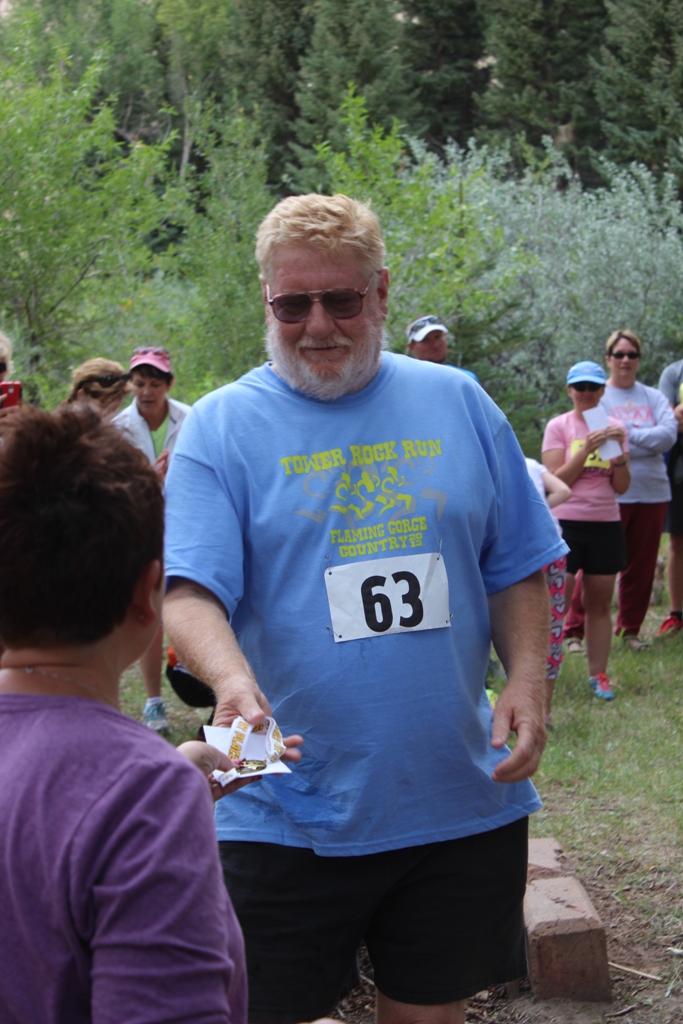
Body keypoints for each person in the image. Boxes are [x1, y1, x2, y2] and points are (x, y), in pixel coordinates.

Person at [162, 193, 566, 1024]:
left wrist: (528, 679)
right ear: (266, 302)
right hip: (276, 797)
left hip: (453, 792)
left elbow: (515, 563)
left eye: (340, 300)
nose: (317, 325)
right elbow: (190, 590)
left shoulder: (458, 401)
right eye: (292, 303)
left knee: (429, 1010)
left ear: (379, 293)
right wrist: (232, 683)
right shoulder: (221, 427)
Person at [0, 404, 250, 1024]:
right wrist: (157, 793)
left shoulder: (149, 791)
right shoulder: (143, 796)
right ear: (149, 596)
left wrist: (176, 780)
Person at [561, 331, 676, 651]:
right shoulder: (597, 393)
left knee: (641, 565)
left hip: (652, 490)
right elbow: (597, 442)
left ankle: (630, 630)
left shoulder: (652, 396)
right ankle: (574, 629)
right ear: (608, 358)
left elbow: (667, 437)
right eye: (619, 354)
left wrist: (624, 434)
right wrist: (633, 441)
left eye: (632, 354)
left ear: (639, 359)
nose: (626, 360)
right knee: (593, 567)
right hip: (610, 495)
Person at [542, 361, 630, 701]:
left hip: (606, 521)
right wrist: (588, 450)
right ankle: (545, 673)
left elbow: (622, 486)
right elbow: (555, 481)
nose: (587, 394)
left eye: (593, 388)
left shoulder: (614, 428)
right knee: (554, 603)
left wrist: (618, 454)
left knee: (599, 602)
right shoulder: (559, 426)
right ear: (569, 391)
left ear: (603, 392)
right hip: (566, 523)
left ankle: (599, 675)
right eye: (580, 388)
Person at [115, 346, 191, 731]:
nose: (146, 391)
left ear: (169, 384)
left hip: (184, 524)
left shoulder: (190, 419)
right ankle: (153, 702)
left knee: (188, 603)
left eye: (155, 383)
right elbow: (110, 487)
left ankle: (201, 685)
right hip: (141, 527)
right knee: (150, 612)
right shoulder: (117, 428)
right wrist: (147, 480)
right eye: (139, 382)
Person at [524, 459, 571, 726]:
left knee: (518, 628)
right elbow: (565, 491)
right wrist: (541, 507)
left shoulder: (491, 461)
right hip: (553, 547)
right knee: (552, 625)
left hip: (523, 550)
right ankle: (545, 711)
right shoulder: (533, 464)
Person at [656, 354, 683, 636]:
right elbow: (670, 419)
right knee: (679, 544)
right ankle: (677, 613)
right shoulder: (674, 372)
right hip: (678, 471)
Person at [406, 313, 480, 381]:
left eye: (438, 337)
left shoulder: (466, 379)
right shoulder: (406, 384)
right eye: (425, 340)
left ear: (445, 336)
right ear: (411, 346)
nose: (435, 345)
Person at [66, 357, 133, 418]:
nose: (109, 416)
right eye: (103, 406)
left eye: (113, 409)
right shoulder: (61, 428)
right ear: (81, 397)